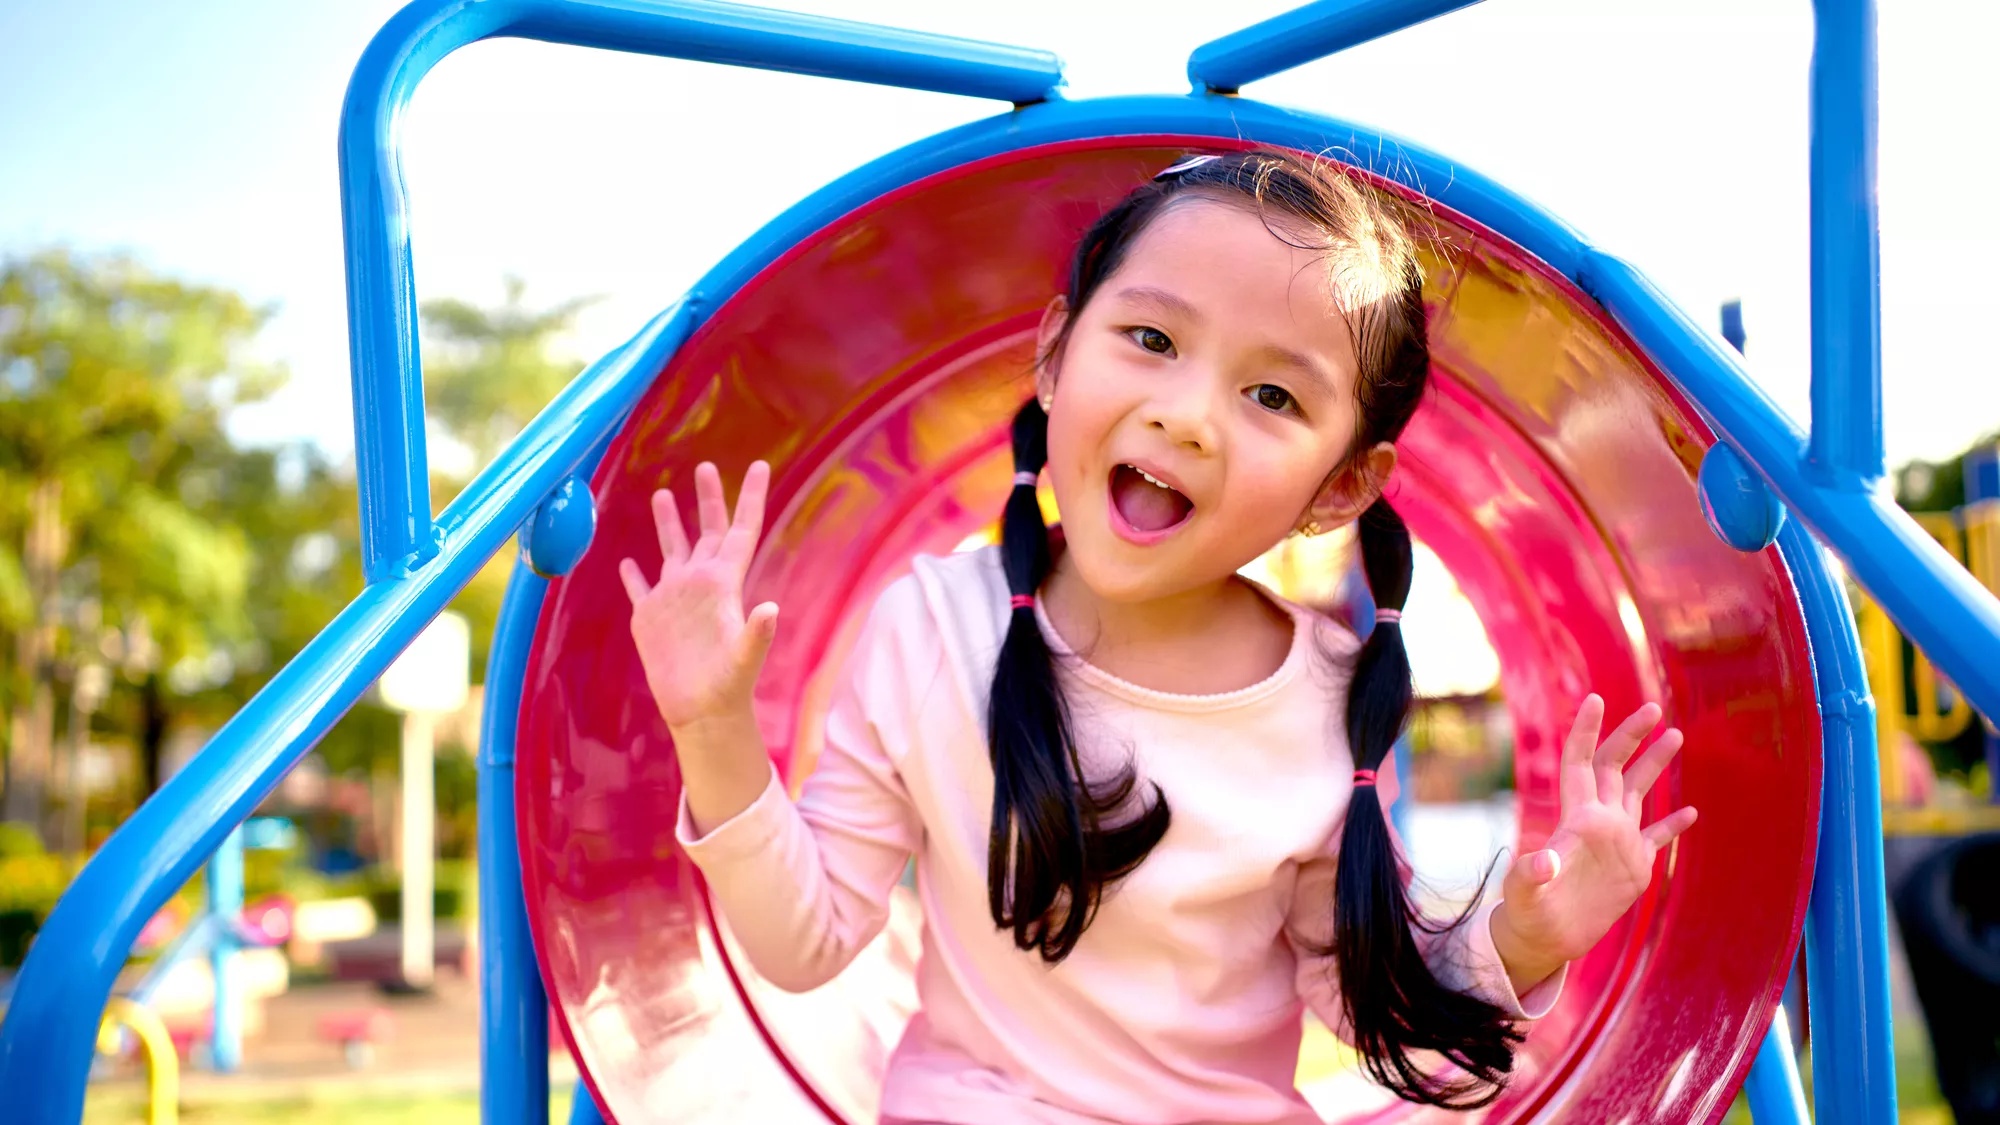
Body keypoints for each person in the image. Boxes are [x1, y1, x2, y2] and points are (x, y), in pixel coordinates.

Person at [620, 150, 1697, 1125]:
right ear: (1053, 354)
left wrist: (1524, 940)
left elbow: (1376, 1006)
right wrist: (711, 724)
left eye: (1270, 394)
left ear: (1339, 487)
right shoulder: (930, 627)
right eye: (1150, 339)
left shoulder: (1324, 702)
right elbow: (800, 943)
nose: (1185, 414)